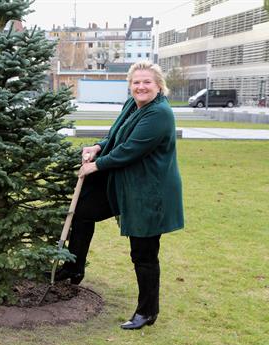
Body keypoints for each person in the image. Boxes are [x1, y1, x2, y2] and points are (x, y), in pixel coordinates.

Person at [55, 61, 184, 330]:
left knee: (144, 253)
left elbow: (131, 149)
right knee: (82, 210)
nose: (141, 87)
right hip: (124, 183)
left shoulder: (159, 113)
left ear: (159, 85)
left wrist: (97, 165)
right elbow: (116, 135)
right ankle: (73, 268)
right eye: (136, 82)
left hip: (149, 193)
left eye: (147, 82)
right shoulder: (131, 105)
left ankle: (147, 311)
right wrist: (98, 146)